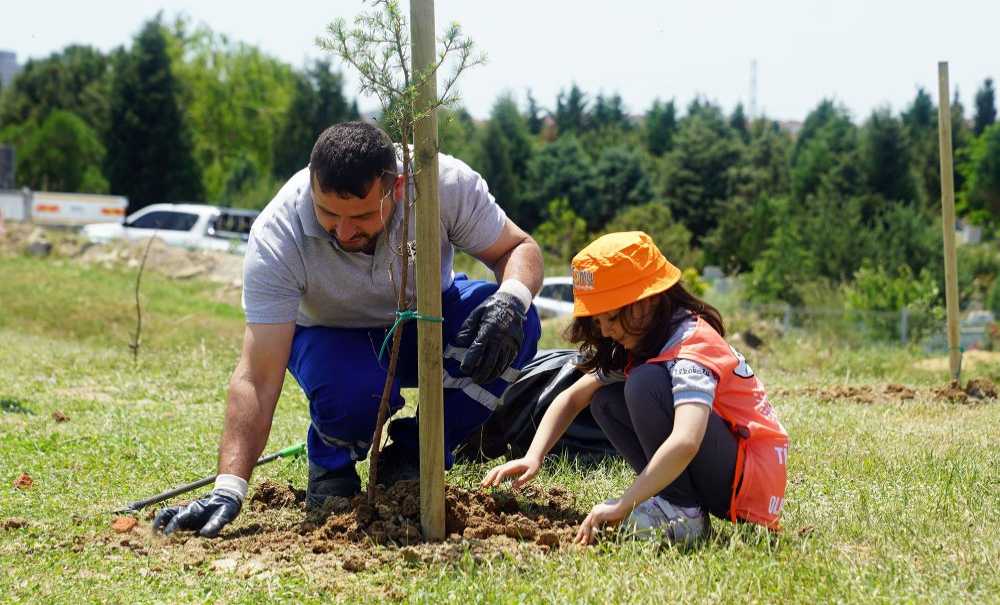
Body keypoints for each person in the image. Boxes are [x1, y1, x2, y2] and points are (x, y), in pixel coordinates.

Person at [154, 121, 542, 537]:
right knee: (357, 393)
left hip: (422, 318)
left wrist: (511, 302)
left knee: (519, 325)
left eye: (359, 215)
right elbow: (257, 375)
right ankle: (331, 466)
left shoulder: (442, 184)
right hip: (329, 334)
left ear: (396, 189)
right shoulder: (278, 233)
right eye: (327, 213)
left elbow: (518, 248)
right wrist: (228, 488)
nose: (342, 231)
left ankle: (414, 455)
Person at [481, 231, 788, 545]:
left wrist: (623, 503)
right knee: (605, 401)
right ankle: (679, 503)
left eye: (612, 317)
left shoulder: (689, 346)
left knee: (644, 383)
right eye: (599, 322)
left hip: (748, 481)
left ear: (649, 300)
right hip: (725, 470)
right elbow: (573, 398)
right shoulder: (645, 339)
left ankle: (683, 513)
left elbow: (686, 441)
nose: (607, 330)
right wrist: (534, 457)